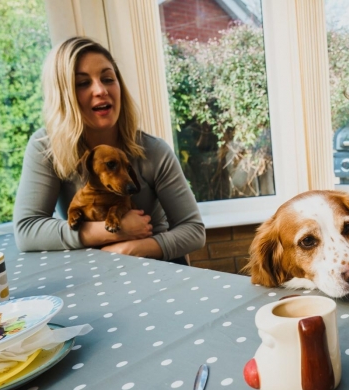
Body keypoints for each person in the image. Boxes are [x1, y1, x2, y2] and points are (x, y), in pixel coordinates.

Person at [13, 37, 205, 262]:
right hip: (95, 273)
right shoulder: (45, 148)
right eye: (83, 83)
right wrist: (111, 231)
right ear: (63, 95)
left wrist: (130, 249)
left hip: (157, 269)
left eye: (107, 78)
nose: (101, 90)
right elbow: (27, 230)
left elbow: (193, 231)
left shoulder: (153, 150)